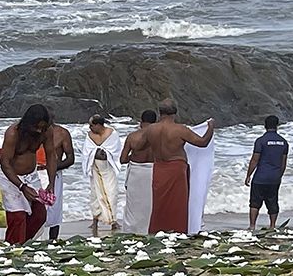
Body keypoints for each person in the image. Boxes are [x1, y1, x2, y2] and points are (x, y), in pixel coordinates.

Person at [136, 100, 215, 234]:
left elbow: (139, 147)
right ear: (175, 113)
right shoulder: (180, 129)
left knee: (159, 204)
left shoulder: (151, 129)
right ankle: (177, 232)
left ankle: (157, 231)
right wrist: (211, 127)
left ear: (160, 112)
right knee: (177, 204)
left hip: (159, 168)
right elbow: (202, 142)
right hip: (176, 168)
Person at [0, 104, 62, 244]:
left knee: (40, 214)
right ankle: (14, 246)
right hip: (10, 176)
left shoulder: (46, 131)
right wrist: (22, 186)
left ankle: (22, 243)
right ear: (28, 123)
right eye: (36, 127)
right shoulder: (13, 133)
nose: (39, 130)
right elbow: (4, 163)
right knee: (18, 216)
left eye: (42, 127)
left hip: (31, 175)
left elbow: (51, 155)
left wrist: (51, 183)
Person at [245, 114, 289, 230]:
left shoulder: (260, 141)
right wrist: (279, 175)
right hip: (274, 178)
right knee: (273, 201)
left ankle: (252, 226)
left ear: (265, 126)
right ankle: (272, 226)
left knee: (255, 202)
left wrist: (248, 175)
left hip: (260, 177)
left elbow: (255, 160)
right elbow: (283, 163)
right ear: (277, 125)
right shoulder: (283, 142)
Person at [120, 110, 157, 234]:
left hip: (136, 171)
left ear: (141, 122)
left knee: (133, 204)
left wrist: (135, 156)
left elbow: (123, 159)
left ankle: (131, 231)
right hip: (154, 171)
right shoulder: (159, 137)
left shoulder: (132, 136)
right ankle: (150, 229)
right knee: (151, 203)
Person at [85, 115, 122, 236]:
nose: (90, 128)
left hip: (108, 168)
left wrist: (105, 152)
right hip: (95, 167)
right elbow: (87, 151)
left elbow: (115, 150)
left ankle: (113, 221)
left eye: (92, 125)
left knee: (111, 193)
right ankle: (95, 220)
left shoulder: (112, 134)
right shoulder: (90, 135)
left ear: (99, 125)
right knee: (95, 195)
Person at [43, 123, 76, 241]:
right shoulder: (30, 132)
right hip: (33, 173)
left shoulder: (62, 133)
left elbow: (70, 158)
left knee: (54, 208)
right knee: (34, 208)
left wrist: (53, 168)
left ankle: (53, 240)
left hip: (55, 173)